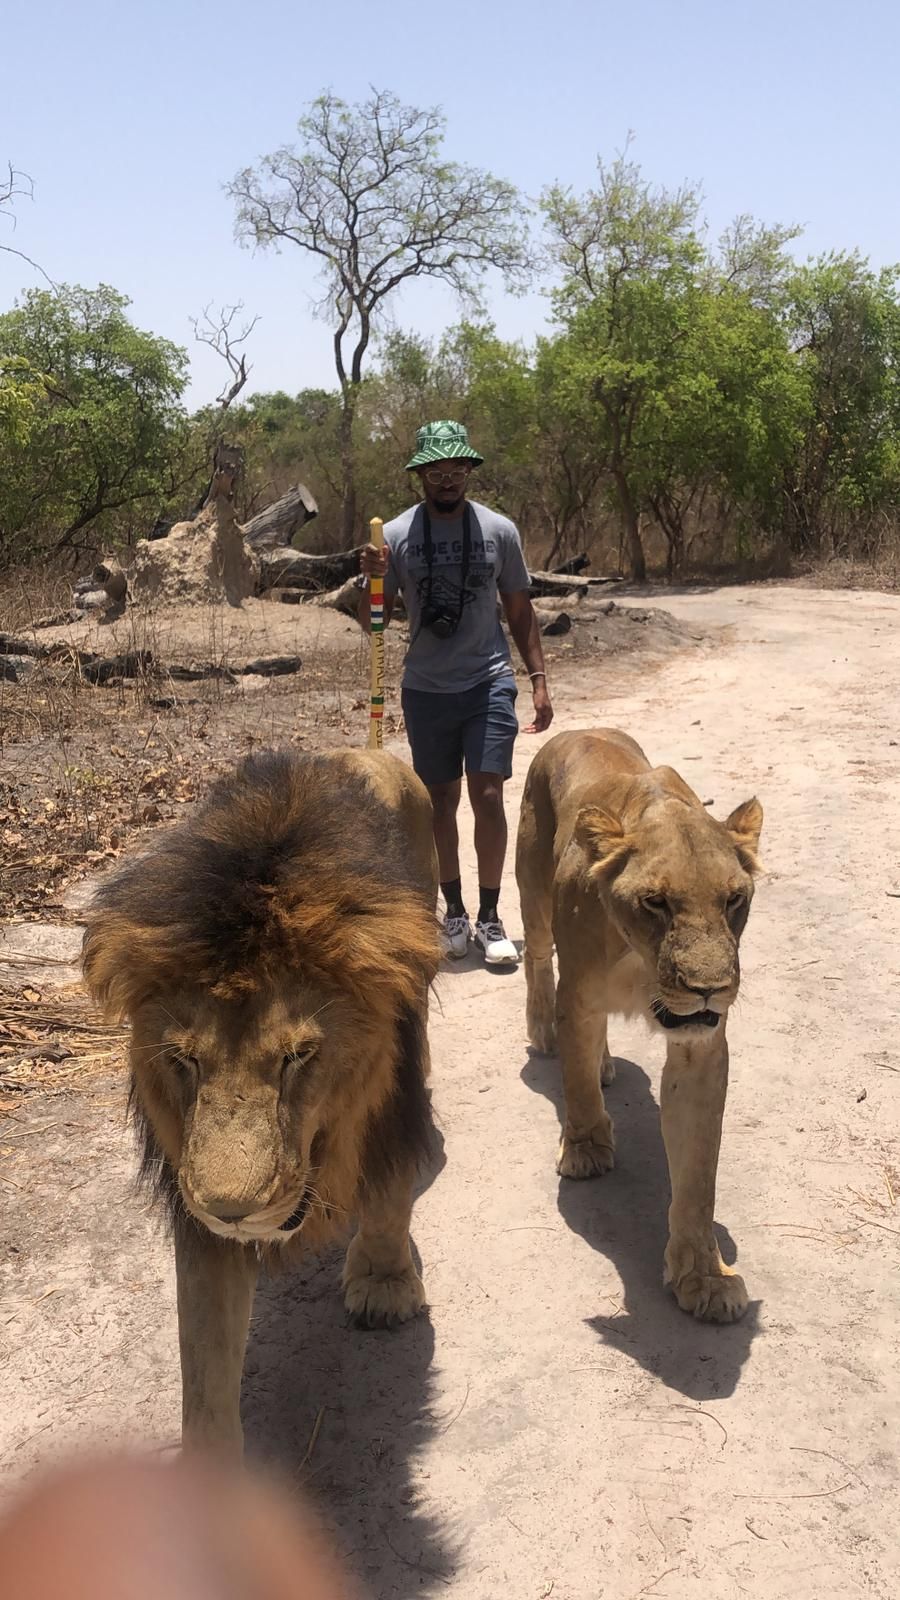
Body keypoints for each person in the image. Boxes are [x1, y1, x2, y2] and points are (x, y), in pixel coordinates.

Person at [359, 419, 553, 965]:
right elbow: (374, 623)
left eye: (457, 469)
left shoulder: (499, 531)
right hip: (426, 687)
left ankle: (491, 918)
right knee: (439, 801)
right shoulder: (395, 537)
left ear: (468, 470)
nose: (447, 479)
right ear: (420, 474)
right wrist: (371, 580)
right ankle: (454, 912)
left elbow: (519, 609)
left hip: (488, 679)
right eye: (437, 471)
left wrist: (538, 679)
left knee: (487, 795)